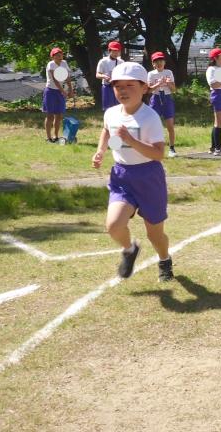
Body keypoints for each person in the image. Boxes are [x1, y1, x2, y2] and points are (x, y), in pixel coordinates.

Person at [91, 61, 174, 282]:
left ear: (144, 88)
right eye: (118, 86)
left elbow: (159, 154)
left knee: (154, 234)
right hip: (121, 176)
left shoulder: (150, 117)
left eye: (130, 85)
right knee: (113, 225)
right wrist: (100, 151)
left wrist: (130, 140)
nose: (123, 91)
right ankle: (129, 249)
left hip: (149, 177)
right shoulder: (111, 113)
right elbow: (106, 130)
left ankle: (164, 259)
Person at [147, 52, 177, 158]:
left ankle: (172, 148)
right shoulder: (151, 74)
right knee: (152, 124)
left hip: (167, 98)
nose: (159, 63)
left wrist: (168, 83)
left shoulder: (169, 72)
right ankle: (151, 147)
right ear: (153, 64)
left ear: (164, 62)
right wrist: (158, 84)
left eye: (161, 61)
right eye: (156, 62)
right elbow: (148, 90)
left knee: (170, 125)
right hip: (156, 99)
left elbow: (174, 89)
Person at [43, 47, 74, 143]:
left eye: (61, 54)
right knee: (50, 115)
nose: (60, 56)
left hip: (59, 91)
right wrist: (63, 91)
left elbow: (67, 77)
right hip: (50, 91)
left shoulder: (64, 63)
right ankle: (48, 138)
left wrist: (70, 90)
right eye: (57, 55)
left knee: (59, 115)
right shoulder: (51, 64)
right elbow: (55, 79)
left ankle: (56, 136)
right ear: (52, 57)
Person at [95, 41, 124, 110]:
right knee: (108, 108)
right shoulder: (103, 61)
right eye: (114, 51)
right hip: (107, 87)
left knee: (120, 107)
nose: (116, 53)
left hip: (118, 87)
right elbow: (97, 75)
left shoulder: (121, 62)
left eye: (118, 51)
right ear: (109, 50)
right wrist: (104, 76)